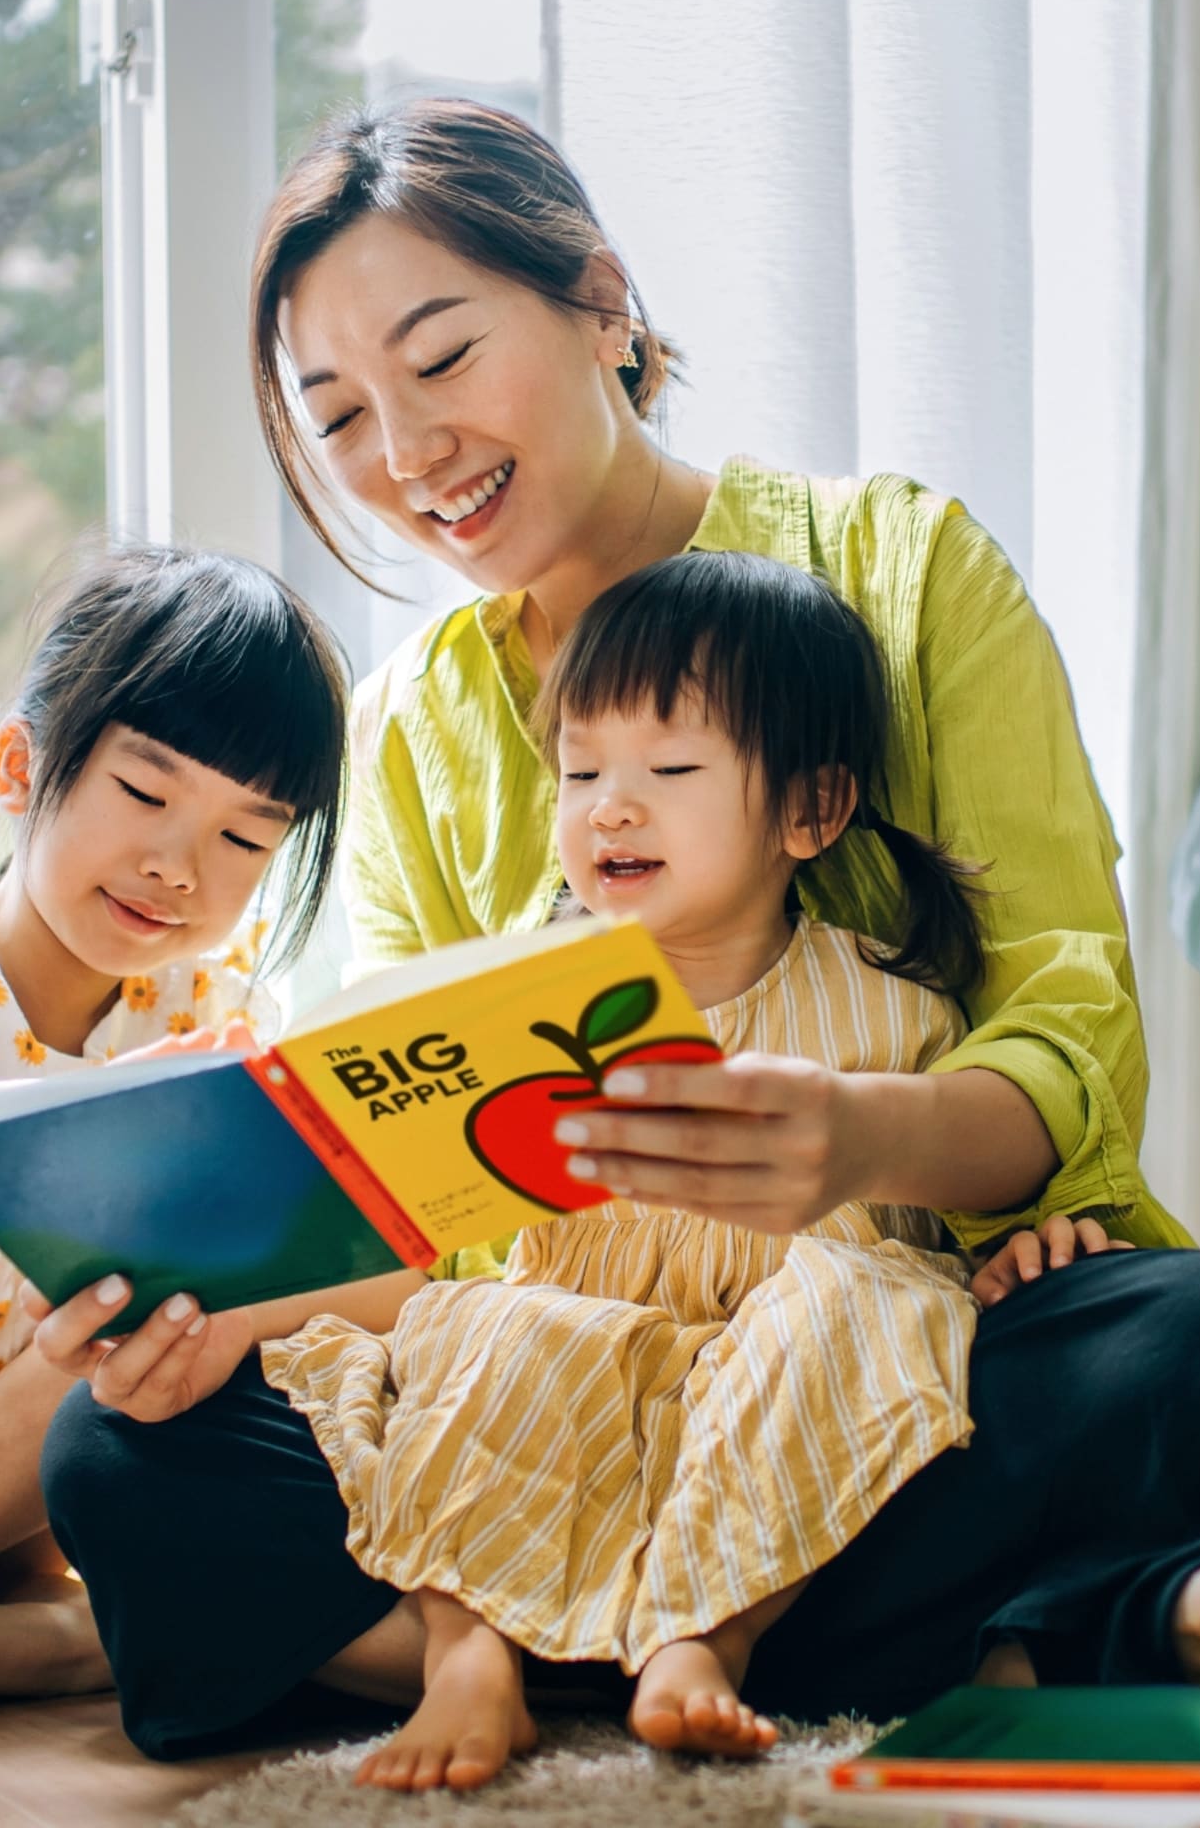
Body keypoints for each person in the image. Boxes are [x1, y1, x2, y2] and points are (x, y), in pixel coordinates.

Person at [36, 98, 1200, 1770]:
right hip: (551, 1373)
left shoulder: (902, 568)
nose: (408, 451)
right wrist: (226, 1313)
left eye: (440, 357)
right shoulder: (420, 726)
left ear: (601, 302)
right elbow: (433, 1207)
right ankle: (878, 1625)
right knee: (112, 1451)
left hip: (879, 1336)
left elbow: (1063, 1022)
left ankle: (552, 1634)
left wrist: (861, 1138)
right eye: (344, 413)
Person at [269, 550, 1077, 1792]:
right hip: (573, 1344)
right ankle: (468, 1645)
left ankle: (702, 1636)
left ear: (810, 810)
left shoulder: (888, 1008)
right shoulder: (515, 996)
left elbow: (939, 1244)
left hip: (779, 1375)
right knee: (485, 1326)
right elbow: (438, 1235)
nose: (608, 805)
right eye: (580, 769)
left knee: (874, 1298)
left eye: (670, 768)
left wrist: (1024, 1247)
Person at [0, 544, 393, 1699]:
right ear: (18, 764)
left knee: (130, 1335)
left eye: (245, 837)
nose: (177, 866)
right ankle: (25, 1648)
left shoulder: (207, 1009)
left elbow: (362, 1279)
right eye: (145, 793)